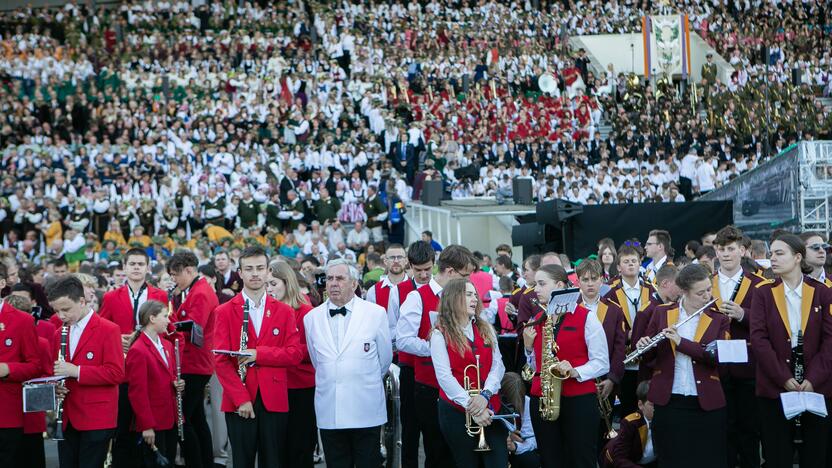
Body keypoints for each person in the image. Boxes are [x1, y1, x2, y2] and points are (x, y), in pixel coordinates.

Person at [213, 246, 303, 468]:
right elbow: (221, 361)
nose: (255, 273)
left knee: (273, 462)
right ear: (240, 273)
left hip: (274, 399)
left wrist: (258, 354)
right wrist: (241, 398)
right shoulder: (223, 311)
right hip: (239, 400)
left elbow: (294, 354)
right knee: (241, 462)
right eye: (249, 269)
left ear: (267, 272)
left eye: (260, 268)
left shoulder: (284, 311)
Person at [635, 264, 730, 468]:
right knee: (672, 459)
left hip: (706, 401)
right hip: (670, 400)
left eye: (708, 289)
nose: (707, 296)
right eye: (700, 292)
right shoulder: (662, 313)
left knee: (708, 460)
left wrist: (681, 342)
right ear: (684, 292)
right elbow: (651, 358)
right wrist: (644, 345)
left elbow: (716, 356)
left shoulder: (718, 318)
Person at [750, 234, 832, 468]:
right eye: (771, 253)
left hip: (817, 386)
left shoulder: (822, 292)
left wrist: (813, 378)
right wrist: (783, 377)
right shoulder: (763, 293)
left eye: (779, 253)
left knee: (816, 455)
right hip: (775, 386)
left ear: (797, 257)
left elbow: (829, 341)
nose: (772, 258)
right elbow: (759, 339)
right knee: (777, 455)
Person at [304, 259, 393, 468]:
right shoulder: (311, 318)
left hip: (366, 407)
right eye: (330, 279)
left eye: (340, 278)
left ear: (354, 284)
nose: (334, 283)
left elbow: (385, 358)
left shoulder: (375, 314)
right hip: (330, 409)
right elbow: (317, 360)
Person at [523, 264, 610, 468]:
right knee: (550, 460)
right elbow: (533, 368)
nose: (536, 289)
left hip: (578, 401)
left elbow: (602, 362)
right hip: (543, 400)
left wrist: (574, 371)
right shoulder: (537, 319)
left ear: (560, 285)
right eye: (536, 284)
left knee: (581, 459)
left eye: (542, 284)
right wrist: (528, 349)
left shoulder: (586, 316)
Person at [397, 245, 476, 468]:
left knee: (459, 450)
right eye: (465, 275)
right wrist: (436, 348)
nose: (468, 280)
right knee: (437, 450)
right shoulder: (417, 296)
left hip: (461, 382)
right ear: (450, 272)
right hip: (429, 384)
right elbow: (403, 340)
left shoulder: (463, 296)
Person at [98, 248, 168, 468]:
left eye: (141, 264)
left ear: (148, 267)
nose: (136, 268)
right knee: (124, 428)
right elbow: (101, 329)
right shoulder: (110, 297)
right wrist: (117, 338)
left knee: (151, 425)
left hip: (152, 369)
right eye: (132, 264)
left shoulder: (160, 296)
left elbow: (168, 328)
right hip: (123, 370)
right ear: (125, 267)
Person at [48, 275, 125, 468]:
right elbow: (59, 370)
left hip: (96, 417)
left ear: (82, 301)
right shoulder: (59, 333)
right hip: (67, 417)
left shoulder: (109, 329)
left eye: (66, 309)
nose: (61, 316)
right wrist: (56, 385)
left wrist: (77, 371)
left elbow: (116, 373)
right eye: (57, 311)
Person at [431, 278, 507, 467]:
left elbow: (498, 365)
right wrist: (473, 406)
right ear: (453, 298)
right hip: (456, 412)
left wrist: (485, 395)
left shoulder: (485, 327)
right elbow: (444, 377)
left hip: (490, 407)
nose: (475, 299)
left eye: (475, 295)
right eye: (468, 294)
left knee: (498, 462)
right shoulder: (439, 333)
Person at [712, 225, 765, 468]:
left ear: (743, 250)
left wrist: (744, 314)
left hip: (747, 367)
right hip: (715, 366)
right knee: (723, 430)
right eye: (721, 249)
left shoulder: (759, 284)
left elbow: (770, 322)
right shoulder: (707, 282)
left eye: (731, 249)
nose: (726, 254)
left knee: (749, 430)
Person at [167, 251, 218, 468]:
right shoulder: (196, 290)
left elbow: (192, 330)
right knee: (196, 419)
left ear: (188, 270)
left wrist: (167, 320)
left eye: (175, 275)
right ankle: (205, 461)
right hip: (196, 363)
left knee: (183, 420)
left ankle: (197, 462)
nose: (173, 280)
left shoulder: (200, 293)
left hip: (194, 364)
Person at [125, 300, 186, 468]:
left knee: (169, 461)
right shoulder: (138, 350)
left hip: (170, 417)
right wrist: (146, 426)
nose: (169, 321)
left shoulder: (166, 344)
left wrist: (177, 382)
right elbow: (137, 392)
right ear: (152, 318)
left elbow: (169, 375)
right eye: (165, 316)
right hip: (154, 421)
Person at [268, 260, 316, 468]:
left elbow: (310, 351)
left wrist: (280, 354)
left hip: (301, 387)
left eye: (273, 284)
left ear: (287, 282)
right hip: (275, 386)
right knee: (277, 448)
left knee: (300, 446)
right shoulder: (268, 311)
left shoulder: (304, 310)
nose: (269, 289)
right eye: (266, 284)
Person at [575, 259, 626, 446]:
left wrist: (612, 379)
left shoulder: (614, 310)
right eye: (585, 279)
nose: (590, 283)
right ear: (578, 281)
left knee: (603, 433)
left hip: (605, 381)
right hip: (579, 379)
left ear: (602, 280)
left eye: (594, 279)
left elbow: (620, 349)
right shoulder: (570, 308)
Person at [393, 240, 435, 468]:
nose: (423, 275)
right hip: (409, 367)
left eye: (427, 269)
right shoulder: (398, 291)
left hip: (434, 370)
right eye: (418, 270)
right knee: (409, 430)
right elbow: (392, 329)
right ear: (409, 266)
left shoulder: (441, 290)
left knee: (433, 432)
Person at [604, 245, 656, 417]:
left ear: (640, 263)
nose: (631, 265)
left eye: (634, 261)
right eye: (626, 262)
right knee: (628, 406)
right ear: (618, 267)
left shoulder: (650, 289)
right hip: (625, 357)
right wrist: (627, 335)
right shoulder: (611, 293)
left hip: (647, 355)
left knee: (647, 403)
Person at [0, 264, 41, 468]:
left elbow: (34, 365)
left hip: (6, 413)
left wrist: (8, 369)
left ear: (2, 283)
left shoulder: (23, 320)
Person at [600, 381, 657, 468]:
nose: (657, 409)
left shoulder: (667, 422)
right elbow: (619, 458)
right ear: (641, 405)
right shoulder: (631, 424)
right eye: (652, 405)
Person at [365, 243, 408, 345]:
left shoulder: (416, 289)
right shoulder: (373, 291)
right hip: (384, 347)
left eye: (399, 257)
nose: (396, 261)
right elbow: (370, 323)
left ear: (406, 261)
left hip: (411, 353)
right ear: (385, 261)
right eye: (392, 257)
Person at [501, 372, 539, 468]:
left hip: (516, 447)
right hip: (497, 444)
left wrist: (515, 447)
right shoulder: (494, 402)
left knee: (530, 459)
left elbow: (533, 440)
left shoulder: (527, 403)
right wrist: (508, 435)